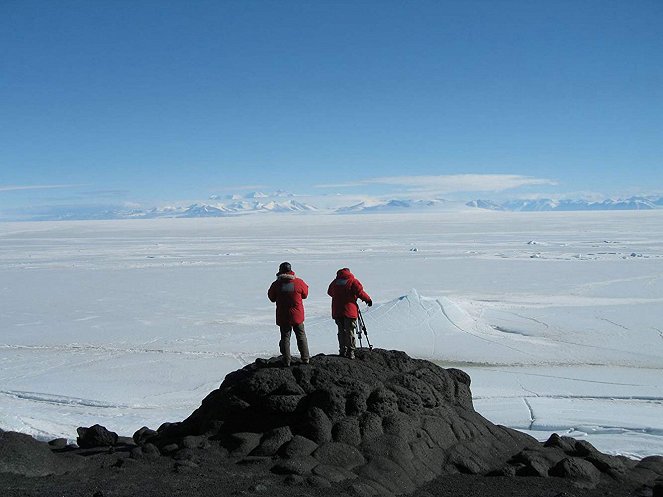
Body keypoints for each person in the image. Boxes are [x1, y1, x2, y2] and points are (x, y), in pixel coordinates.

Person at [268, 262, 310, 366]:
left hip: (283, 315)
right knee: (301, 336)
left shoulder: (276, 284)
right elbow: (305, 294)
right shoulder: (299, 282)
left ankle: (286, 360)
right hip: (297, 315)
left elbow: (271, 298)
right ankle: (305, 358)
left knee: (285, 338)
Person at [327, 267, 372, 359]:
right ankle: (351, 351)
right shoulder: (352, 281)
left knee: (341, 331)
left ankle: (342, 350)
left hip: (337, 310)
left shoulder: (335, 282)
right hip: (349, 310)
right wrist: (368, 300)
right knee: (350, 331)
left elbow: (330, 292)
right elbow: (360, 292)